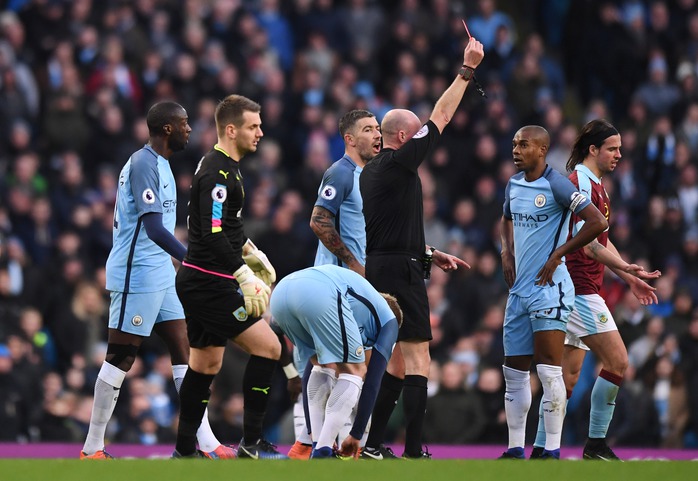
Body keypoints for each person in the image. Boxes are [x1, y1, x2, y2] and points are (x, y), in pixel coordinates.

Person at [80, 101, 234, 460]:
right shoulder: (144, 164)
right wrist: (191, 259)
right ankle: (92, 447)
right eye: (184, 123)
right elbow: (152, 228)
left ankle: (207, 442)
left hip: (161, 272)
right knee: (120, 358)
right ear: (167, 128)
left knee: (185, 351)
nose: (189, 130)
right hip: (137, 272)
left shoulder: (162, 164)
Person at [358, 37, 484, 459]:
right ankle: (413, 450)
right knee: (418, 358)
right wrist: (467, 69)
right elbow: (442, 115)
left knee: (393, 360)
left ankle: (374, 443)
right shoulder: (399, 161)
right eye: (416, 134)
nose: (423, 140)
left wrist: (430, 253)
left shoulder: (371, 173)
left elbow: (388, 230)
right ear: (403, 136)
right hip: (400, 271)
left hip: (382, 266)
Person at [530, 120, 661, 460]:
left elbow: (599, 239)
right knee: (618, 361)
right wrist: (621, 269)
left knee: (567, 378)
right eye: (613, 149)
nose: (619, 154)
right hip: (577, 288)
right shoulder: (580, 185)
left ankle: (543, 451)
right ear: (593, 149)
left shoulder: (595, 184)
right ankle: (596, 445)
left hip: (578, 286)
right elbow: (587, 248)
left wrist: (628, 277)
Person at [173, 94, 286, 459]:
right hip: (209, 282)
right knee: (270, 347)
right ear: (232, 129)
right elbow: (212, 230)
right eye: (254, 126)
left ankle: (183, 451)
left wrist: (252, 251)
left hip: (203, 279)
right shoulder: (218, 172)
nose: (260, 132)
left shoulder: (226, 167)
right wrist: (241, 273)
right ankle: (251, 444)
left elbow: (228, 226)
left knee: (205, 364)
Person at [499, 125, 608, 460]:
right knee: (513, 372)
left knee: (549, 370)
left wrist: (558, 253)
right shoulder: (513, 183)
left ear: (543, 150)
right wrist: (507, 251)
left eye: (524, 145)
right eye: (514, 144)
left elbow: (596, 222)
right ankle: (515, 448)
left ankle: (552, 449)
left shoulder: (557, 184)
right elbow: (505, 217)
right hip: (518, 292)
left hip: (550, 289)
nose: (516, 150)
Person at [286, 109, 382, 460]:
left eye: (377, 128)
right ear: (349, 139)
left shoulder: (365, 177)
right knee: (348, 367)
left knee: (331, 365)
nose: (377, 135)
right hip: (337, 285)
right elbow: (318, 219)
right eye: (368, 129)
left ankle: (311, 442)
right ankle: (321, 443)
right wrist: (354, 264)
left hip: (350, 286)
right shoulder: (340, 172)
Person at [270, 264, 402, 459]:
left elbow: (307, 375)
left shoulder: (353, 307)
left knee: (319, 364)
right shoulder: (389, 321)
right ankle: (322, 449)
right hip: (316, 292)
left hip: (281, 293)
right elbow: (373, 380)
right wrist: (356, 434)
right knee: (355, 370)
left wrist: (314, 435)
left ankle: (317, 445)